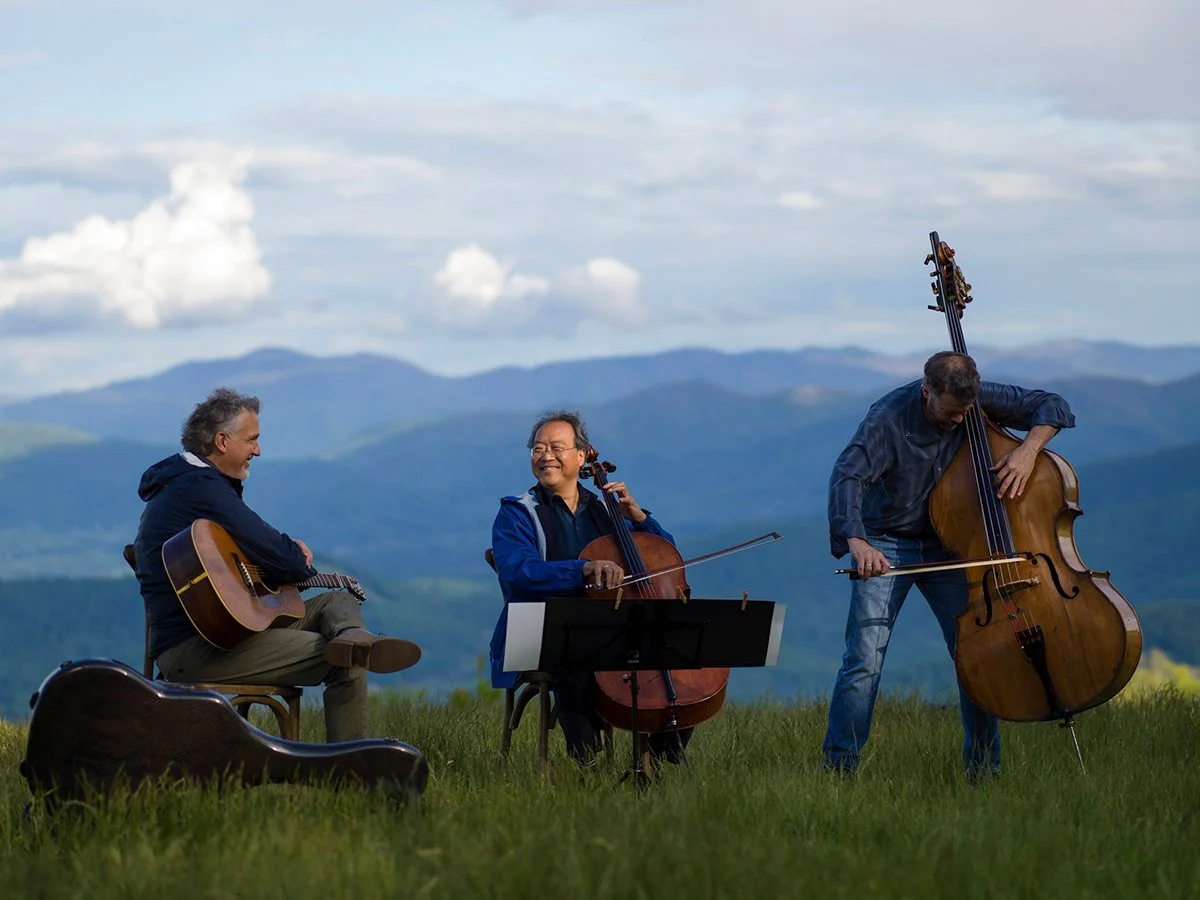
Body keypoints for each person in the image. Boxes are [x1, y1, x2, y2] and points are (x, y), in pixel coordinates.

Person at [823, 351, 1075, 779]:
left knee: (977, 656)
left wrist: (1028, 450)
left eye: (965, 412)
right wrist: (857, 541)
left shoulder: (972, 400)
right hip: (886, 541)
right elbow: (847, 475)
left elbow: (1053, 406)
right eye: (950, 412)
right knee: (864, 660)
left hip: (953, 544)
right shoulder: (888, 418)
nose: (960, 420)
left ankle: (984, 770)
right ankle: (839, 768)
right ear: (927, 392)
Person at [133, 387, 421, 743]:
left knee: (338, 600)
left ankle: (351, 636)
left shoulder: (185, 485)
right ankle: (350, 766)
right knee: (348, 662)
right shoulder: (201, 488)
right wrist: (294, 557)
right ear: (222, 441)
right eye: (251, 440)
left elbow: (253, 555)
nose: (258, 450)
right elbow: (282, 557)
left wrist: (277, 561)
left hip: (225, 632)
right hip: (200, 648)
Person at [488, 410, 691, 770]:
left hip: (608, 627)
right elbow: (519, 571)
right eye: (538, 449)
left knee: (678, 648)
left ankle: (660, 755)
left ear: (581, 456)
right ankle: (586, 763)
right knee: (578, 654)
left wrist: (640, 519)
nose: (546, 456)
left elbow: (664, 562)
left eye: (556, 447)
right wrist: (581, 569)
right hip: (541, 630)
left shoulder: (605, 511)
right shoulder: (517, 513)